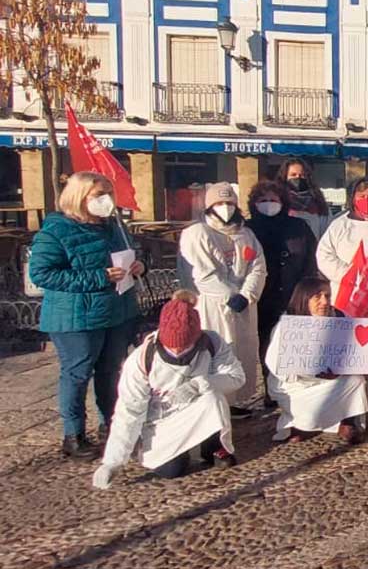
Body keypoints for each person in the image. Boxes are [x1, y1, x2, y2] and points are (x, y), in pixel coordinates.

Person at [29, 171, 143, 458]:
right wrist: (97, 277)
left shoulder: (114, 226)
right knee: (77, 373)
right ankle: (74, 435)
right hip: (76, 316)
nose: (106, 201)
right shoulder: (57, 230)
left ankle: (112, 426)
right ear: (79, 197)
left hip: (116, 311)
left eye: (109, 194)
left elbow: (129, 254)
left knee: (111, 372)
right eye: (98, 195)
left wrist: (138, 267)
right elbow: (42, 274)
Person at [92, 291, 243, 488]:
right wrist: (111, 462)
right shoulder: (141, 359)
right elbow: (128, 411)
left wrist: (200, 384)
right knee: (172, 470)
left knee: (213, 399)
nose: (178, 351)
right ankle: (175, 453)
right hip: (160, 420)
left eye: (185, 346)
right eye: (172, 346)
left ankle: (214, 445)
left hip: (197, 406)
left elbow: (237, 377)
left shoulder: (212, 342)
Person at [178, 183, 268, 416]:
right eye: (219, 204)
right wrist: (229, 296)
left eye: (229, 203)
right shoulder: (198, 233)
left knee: (243, 351)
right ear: (209, 207)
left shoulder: (246, 234)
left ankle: (236, 400)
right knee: (217, 351)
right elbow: (202, 272)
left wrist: (246, 295)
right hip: (213, 305)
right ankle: (214, 402)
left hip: (244, 304)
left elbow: (258, 267)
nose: (225, 208)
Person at [263, 277, 368, 444]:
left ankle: (347, 421)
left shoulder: (340, 317)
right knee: (310, 417)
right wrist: (312, 373)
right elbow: (276, 364)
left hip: (333, 382)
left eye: (327, 296)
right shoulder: (288, 324)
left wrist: (341, 369)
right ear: (304, 298)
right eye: (317, 297)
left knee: (355, 380)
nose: (324, 302)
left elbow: (355, 352)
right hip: (297, 386)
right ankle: (302, 425)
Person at [246, 180, 318, 409]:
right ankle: (271, 390)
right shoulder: (248, 229)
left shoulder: (299, 227)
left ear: (283, 202)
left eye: (273, 200)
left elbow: (310, 260)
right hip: (263, 297)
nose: (269, 204)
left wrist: (307, 291)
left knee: (294, 345)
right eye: (263, 201)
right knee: (267, 344)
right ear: (254, 204)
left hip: (293, 293)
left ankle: (296, 390)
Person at [280, 158, 331, 238]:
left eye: (302, 175)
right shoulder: (278, 203)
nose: (298, 178)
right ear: (285, 177)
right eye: (293, 175)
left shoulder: (319, 204)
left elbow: (327, 234)